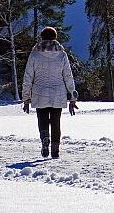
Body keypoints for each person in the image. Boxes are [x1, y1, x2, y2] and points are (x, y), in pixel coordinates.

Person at [22, 26, 78, 158]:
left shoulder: (35, 54)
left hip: (39, 92)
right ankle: (55, 147)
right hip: (58, 93)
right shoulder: (62, 54)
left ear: (41, 38)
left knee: (42, 119)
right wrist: (73, 95)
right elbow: (68, 76)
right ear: (55, 38)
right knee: (55, 121)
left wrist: (26, 97)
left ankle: (45, 138)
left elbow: (28, 76)